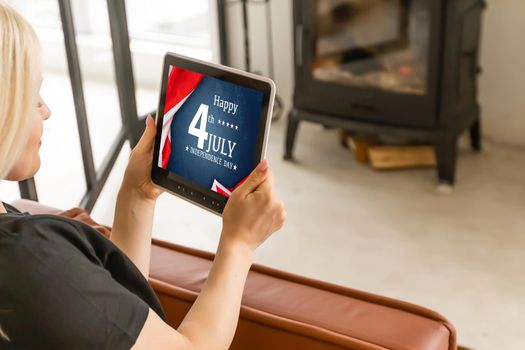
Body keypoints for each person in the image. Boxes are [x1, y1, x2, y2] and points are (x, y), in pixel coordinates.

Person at [0, 2, 286, 349]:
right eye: (31, 96)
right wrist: (239, 244)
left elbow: (109, 313)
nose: (46, 109)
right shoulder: (32, 259)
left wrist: (136, 194)